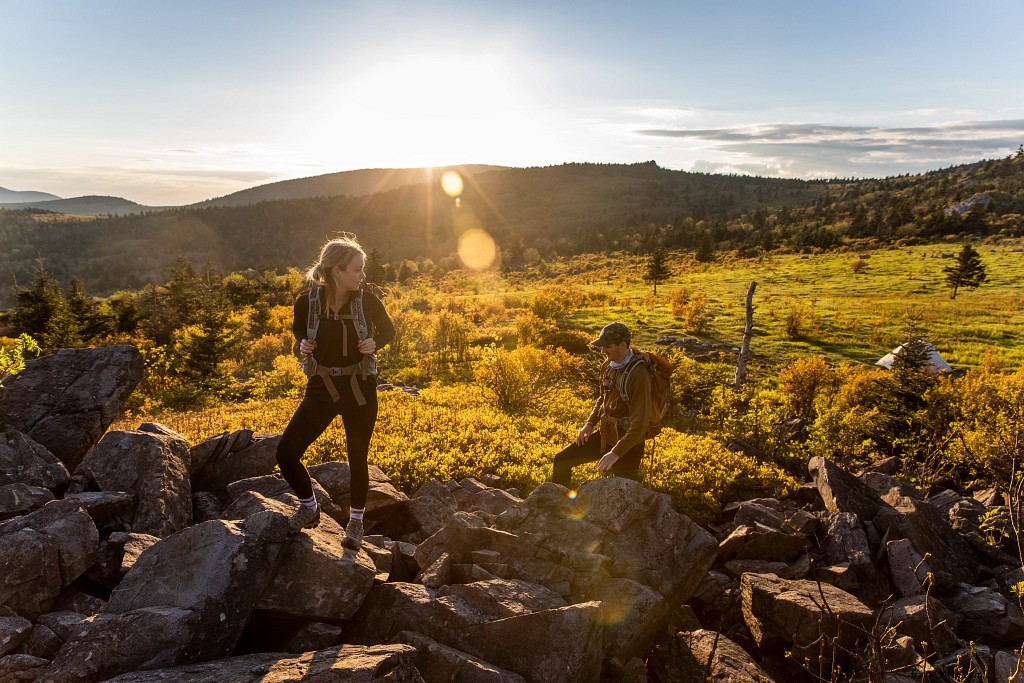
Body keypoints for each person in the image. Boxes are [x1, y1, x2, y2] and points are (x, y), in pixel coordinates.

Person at [277, 235, 395, 550]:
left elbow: (389, 331)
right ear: (336, 272)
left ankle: (355, 523)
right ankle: (309, 507)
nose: (362, 276)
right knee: (286, 454)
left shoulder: (368, 301)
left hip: (360, 389)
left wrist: (374, 343)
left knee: (357, 457)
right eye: (357, 270)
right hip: (322, 388)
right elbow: (298, 331)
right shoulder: (306, 302)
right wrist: (301, 343)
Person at [551, 321, 652, 489]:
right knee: (562, 460)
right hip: (606, 435)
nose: (602, 351)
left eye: (607, 346)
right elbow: (603, 397)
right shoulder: (608, 364)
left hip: (629, 444)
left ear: (623, 345)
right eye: (601, 346)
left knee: (624, 492)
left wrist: (616, 453)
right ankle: (559, 509)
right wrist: (590, 424)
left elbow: (640, 425)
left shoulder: (639, 374)